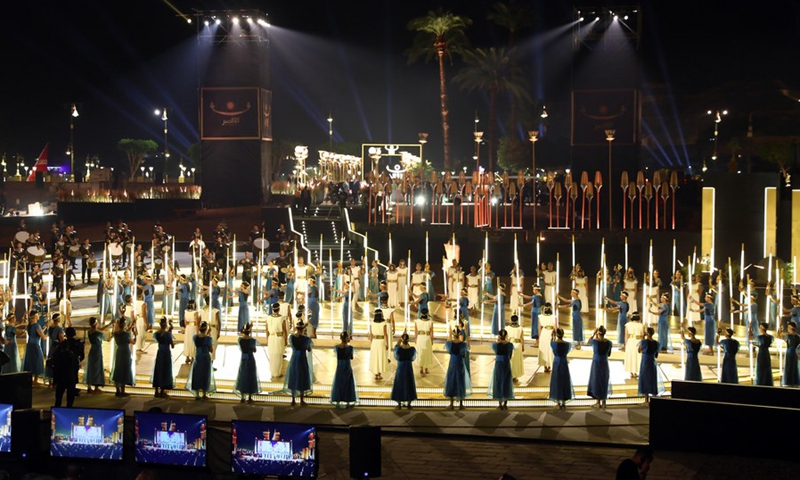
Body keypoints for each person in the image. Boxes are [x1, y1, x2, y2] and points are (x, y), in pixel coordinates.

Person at [284, 322, 313, 406]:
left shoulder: (292, 337)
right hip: (302, 359)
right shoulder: (306, 339)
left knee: (294, 376)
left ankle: (293, 399)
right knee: (302, 377)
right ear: (303, 329)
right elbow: (309, 349)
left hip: (294, 359)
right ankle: (301, 399)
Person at [186, 321, 215, 399]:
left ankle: (197, 394)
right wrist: (208, 335)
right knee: (205, 374)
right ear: (206, 329)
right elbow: (211, 350)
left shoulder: (195, 337)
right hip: (205, 357)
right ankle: (204, 394)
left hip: (198, 357)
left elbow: (200, 341)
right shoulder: (208, 339)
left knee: (197, 374)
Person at [444, 327, 471, 410]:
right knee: (460, 382)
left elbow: (449, 352)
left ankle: (451, 404)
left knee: (451, 381)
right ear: (459, 335)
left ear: (452, 335)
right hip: (460, 364)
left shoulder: (449, 344)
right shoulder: (463, 345)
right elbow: (464, 355)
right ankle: (461, 404)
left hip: (452, 363)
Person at [52, 328, 80, 407]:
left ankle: (57, 411)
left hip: (61, 377)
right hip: (71, 377)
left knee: (58, 398)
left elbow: (55, 365)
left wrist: (55, 380)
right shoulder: (74, 351)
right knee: (70, 399)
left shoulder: (60, 354)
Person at [234, 322, 261, 403]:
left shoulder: (240, 340)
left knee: (243, 375)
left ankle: (242, 396)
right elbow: (255, 350)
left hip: (243, 359)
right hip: (250, 359)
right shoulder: (252, 340)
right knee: (251, 376)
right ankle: (249, 396)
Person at [330, 332, 358, 408]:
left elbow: (336, 355)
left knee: (339, 383)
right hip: (347, 366)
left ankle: (338, 399)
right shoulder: (350, 348)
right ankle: (348, 400)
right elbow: (351, 357)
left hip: (339, 366)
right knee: (348, 383)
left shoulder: (336, 347)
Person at [488, 329, 514, 410]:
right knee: (506, 381)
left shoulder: (495, 345)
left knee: (498, 381)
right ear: (506, 336)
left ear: (499, 336)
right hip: (506, 364)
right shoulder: (510, 345)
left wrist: (498, 341)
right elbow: (510, 356)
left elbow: (496, 352)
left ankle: (499, 403)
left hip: (498, 364)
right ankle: (505, 403)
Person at [390, 332, 418, 409]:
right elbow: (413, 358)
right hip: (409, 368)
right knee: (409, 383)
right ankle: (409, 403)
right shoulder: (412, 349)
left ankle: (399, 403)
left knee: (399, 383)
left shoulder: (398, 349)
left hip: (401, 367)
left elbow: (396, 355)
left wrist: (398, 343)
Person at [587, 325, 612, 408]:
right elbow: (609, 354)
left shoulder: (595, 341)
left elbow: (588, 342)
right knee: (604, 380)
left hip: (596, 363)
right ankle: (604, 401)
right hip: (604, 363)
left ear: (598, 333)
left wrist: (593, 334)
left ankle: (598, 402)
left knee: (596, 380)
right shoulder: (609, 342)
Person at [110, 316, 136, 397]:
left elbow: (124, 332)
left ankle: (117, 390)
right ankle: (122, 390)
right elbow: (133, 342)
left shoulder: (115, 333)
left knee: (118, 369)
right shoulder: (126, 334)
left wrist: (131, 325)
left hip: (119, 352)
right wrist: (135, 335)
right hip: (125, 352)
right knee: (124, 369)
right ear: (124, 324)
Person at [549, 328, 573, 409]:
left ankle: (558, 402)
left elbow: (551, 343)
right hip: (564, 362)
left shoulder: (554, 344)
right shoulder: (567, 344)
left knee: (557, 381)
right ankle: (563, 402)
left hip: (556, 362)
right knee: (564, 380)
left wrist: (552, 336)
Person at [84, 317, 109, 393]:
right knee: (97, 367)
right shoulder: (98, 333)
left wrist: (109, 324)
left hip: (92, 350)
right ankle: (96, 386)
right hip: (97, 350)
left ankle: (89, 386)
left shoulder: (89, 332)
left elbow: (99, 330)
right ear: (95, 323)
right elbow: (107, 339)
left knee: (91, 368)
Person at [151, 317, 175, 398]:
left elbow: (161, 338)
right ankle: (162, 390)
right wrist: (170, 333)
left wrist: (169, 332)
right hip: (166, 353)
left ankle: (156, 390)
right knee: (165, 370)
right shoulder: (168, 334)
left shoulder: (157, 333)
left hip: (160, 351)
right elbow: (172, 345)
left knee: (158, 369)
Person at [23, 310, 48, 384]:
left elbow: (37, 332)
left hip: (30, 345)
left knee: (30, 361)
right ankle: (35, 380)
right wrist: (48, 334)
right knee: (37, 361)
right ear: (34, 316)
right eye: (37, 315)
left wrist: (45, 327)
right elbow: (43, 337)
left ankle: (30, 378)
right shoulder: (37, 325)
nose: (38, 316)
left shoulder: (29, 325)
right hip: (35, 345)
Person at [638, 327, 663, 403]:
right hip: (652, 362)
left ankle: (646, 399)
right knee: (652, 378)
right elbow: (656, 355)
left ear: (647, 334)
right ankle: (654, 396)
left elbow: (639, 350)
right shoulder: (656, 343)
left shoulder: (644, 342)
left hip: (645, 362)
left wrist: (642, 339)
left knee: (645, 378)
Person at [266, 302, 288, 379]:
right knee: (278, 355)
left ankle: (273, 372)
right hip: (279, 338)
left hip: (271, 338)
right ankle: (277, 373)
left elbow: (267, 330)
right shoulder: (282, 318)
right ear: (279, 309)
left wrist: (267, 339)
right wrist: (286, 340)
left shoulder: (268, 318)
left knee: (272, 355)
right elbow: (284, 330)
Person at [369, 310, 389, 381]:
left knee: (375, 357)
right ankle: (379, 373)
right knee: (380, 356)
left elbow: (371, 334)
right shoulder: (384, 323)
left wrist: (371, 343)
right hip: (381, 341)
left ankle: (376, 373)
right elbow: (385, 334)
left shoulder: (372, 323)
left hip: (374, 341)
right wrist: (387, 344)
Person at [778, 321, 800, 387]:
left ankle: (788, 381)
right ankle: (794, 381)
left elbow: (779, 336)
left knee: (789, 366)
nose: (787, 328)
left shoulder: (788, 336)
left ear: (790, 328)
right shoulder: (798, 336)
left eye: (788, 327)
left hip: (790, 352)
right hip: (796, 353)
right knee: (794, 367)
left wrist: (779, 329)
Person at [624, 312, 644, 379]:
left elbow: (626, 336)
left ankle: (631, 372)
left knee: (630, 356)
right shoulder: (641, 325)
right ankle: (635, 372)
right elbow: (642, 336)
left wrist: (625, 344)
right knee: (637, 356)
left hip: (630, 341)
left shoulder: (627, 325)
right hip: (638, 341)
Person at [415, 309, 434, 376]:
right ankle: (426, 368)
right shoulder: (430, 322)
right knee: (426, 353)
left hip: (420, 338)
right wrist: (432, 340)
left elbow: (416, 331)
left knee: (421, 353)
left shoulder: (417, 321)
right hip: (427, 338)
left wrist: (416, 339)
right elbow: (432, 332)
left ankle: (421, 368)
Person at [506, 315, 524, 383]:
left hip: (510, 344)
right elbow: (522, 338)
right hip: (518, 345)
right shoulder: (520, 328)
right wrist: (523, 346)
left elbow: (507, 338)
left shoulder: (507, 328)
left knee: (511, 361)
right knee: (516, 361)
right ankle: (515, 376)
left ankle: (510, 375)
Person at [538, 303, 556, 373]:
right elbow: (556, 328)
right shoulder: (553, 317)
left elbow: (539, 328)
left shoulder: (540, 317)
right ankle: (549, 365)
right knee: (550, 349)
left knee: (544, 348)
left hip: (544, 333)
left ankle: (545, 366)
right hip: (550, 333)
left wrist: (539, 337)